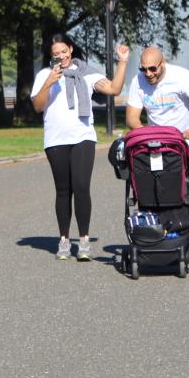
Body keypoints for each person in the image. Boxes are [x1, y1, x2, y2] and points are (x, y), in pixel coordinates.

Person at [31, 34, 130, 261]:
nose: (61, 57)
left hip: (83, 138)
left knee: (82, 186)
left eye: (64, 52)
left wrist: (123, 61)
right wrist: (49, 82)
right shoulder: (45, 75)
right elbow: (38, 106)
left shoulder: (86, 74)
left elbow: (114, 89)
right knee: (63, 190)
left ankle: (83, 240)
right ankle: (64, 240)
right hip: (56, 140)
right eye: (56, 54)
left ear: (71, 50)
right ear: (51, 56)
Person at [125, 46, 189, 146]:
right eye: (143, 69)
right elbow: (131, 118)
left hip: (184, 142)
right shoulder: (138, 81)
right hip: (155, 143)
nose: (148, 74)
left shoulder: (182, 77)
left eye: (153, 69)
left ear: (163, 63)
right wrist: (147, 135)